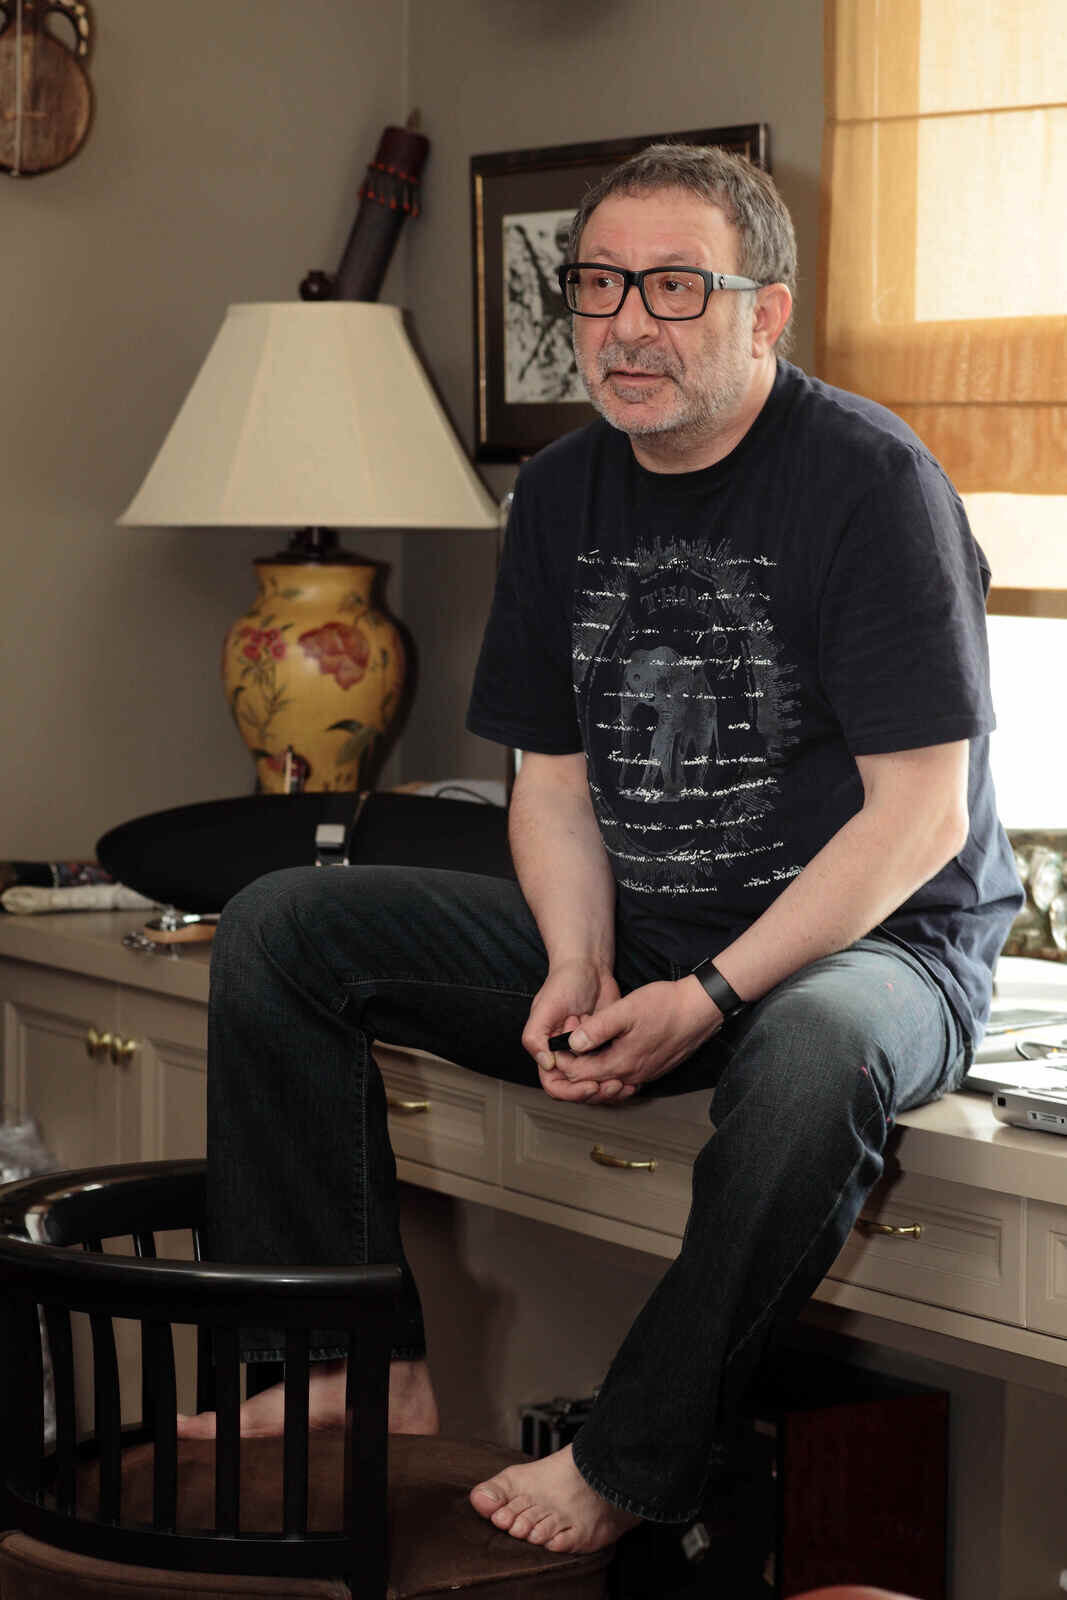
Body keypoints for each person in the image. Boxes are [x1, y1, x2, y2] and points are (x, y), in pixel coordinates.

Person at [182, 144, 1022, 1557]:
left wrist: (713, 996)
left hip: (874, 947)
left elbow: (921, 817)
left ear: (766, 314)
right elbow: (555, 785)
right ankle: (339, 1367)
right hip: (642, 929)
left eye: (677, 288)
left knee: (816, 1053)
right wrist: (576, 959)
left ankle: (630, 1461)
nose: (628, 324)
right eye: (600, 284)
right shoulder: (562, 492)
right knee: (282, 927)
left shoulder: (873, 483)